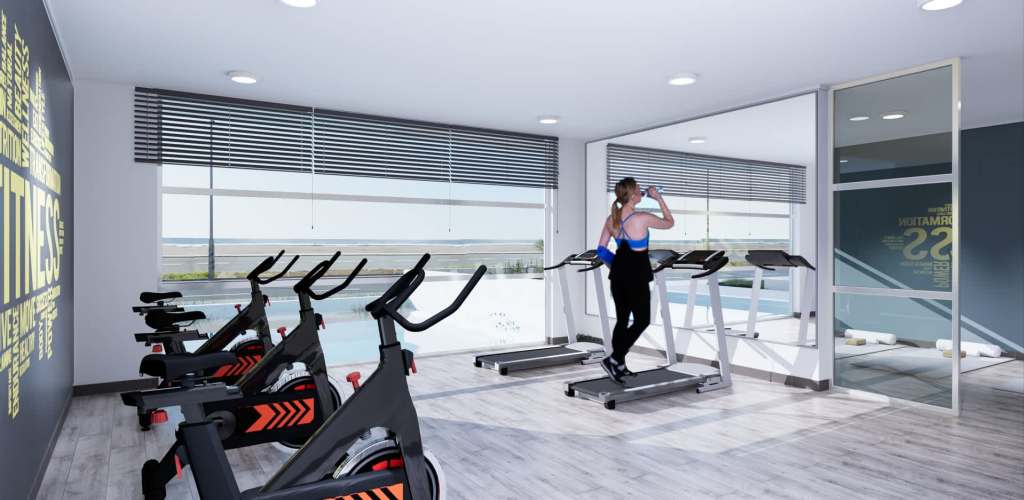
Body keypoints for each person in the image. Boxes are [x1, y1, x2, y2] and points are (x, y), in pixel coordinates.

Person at [596, 177, 674, 384]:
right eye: (639, 190)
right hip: (636, 276)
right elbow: (669, 223)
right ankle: (614, 359)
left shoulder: (611, 218)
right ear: (631, 195)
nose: (642, 192)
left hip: (618, 276)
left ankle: (619, 365)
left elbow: (601, 250)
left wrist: (616, 267)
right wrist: (658, 198)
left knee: (622, 320)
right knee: (642, 320)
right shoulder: (642, 218)